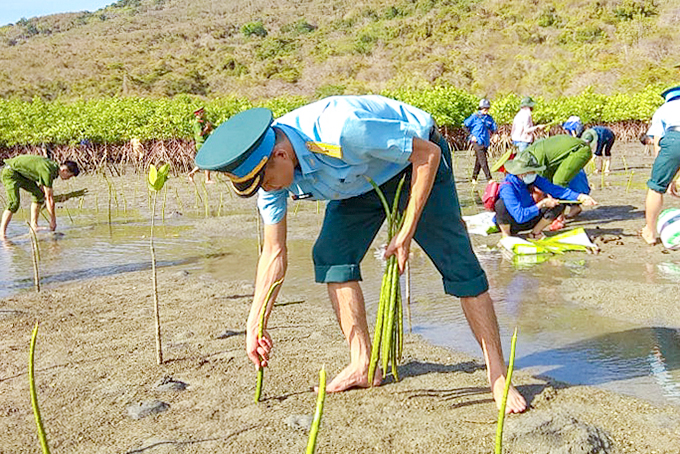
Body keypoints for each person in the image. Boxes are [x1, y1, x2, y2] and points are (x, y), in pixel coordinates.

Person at [195, 95, 527, 413]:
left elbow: (426, 155)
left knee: (460, 265)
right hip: (359, 180)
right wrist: (256, 322)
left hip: (417, 161)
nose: (267, 190)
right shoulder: (269, 173)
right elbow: (273, 252)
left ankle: (497, 375)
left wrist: (407, 229)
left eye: (266, 183)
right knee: (331, 255)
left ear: (281, 155)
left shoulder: (341, 128)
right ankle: (362, 364)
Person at [494, 152, 597, 238]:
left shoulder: (532, 178)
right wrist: (542, 204)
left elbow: (555, 190)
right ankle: (506, 235)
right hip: (514, 222)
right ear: (522, 172)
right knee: (500, 205)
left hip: (530, 217)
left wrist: (580, 197)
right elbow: (520, 216)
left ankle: (534, 233)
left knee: (558, 204)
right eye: (532, 171)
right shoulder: (507, 187)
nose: (534, 173)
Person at [1, 155, 79, 239]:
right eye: (69, 176)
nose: (68, 179)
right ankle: (2, 234)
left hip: (21, 175)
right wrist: (53, 222)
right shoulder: (48, 171)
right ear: (64, 170)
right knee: (14, 203)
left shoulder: (53, 168)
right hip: (10, 172)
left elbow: (43, 190)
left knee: (39, 195)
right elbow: (49, 199)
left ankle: (34, 226)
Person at [524, 134, 593, 227]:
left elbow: (542, 188)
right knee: (556, 182)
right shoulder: (530, 157)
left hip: (579, 150)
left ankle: (560, 218)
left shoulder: (534, 161)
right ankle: (572, 207)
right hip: (565, 154)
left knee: (558, 182)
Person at [640, 86, 680, 246]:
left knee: (656, 186)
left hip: (675, 138)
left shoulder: (663, 109)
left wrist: (666, 176)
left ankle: (649, 232)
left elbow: (658, 143)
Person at [464, 99, 497, 184]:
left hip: (485, 141)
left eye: (487, 108)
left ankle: (474, 178)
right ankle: (489, 178)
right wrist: (471, 136)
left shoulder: (489, 118)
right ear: (480, 108)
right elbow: (465, 126)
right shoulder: (474, 117)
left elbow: (494, 128)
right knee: (483, 160)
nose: (485, 110)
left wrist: (495, 135)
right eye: (484, 108)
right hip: (477, 141)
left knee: (479, 160)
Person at [188, 107, 214, 183]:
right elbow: (200, 133)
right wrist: (206, 128)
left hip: (206, 142)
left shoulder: (203, 121)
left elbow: (212, 127)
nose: (204, 113)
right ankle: (207, 179)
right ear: (198, 114)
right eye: (202, 112)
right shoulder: (197, 123)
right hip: (201, 143)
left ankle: (192, 173)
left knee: (205, 161)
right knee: (207, 161)